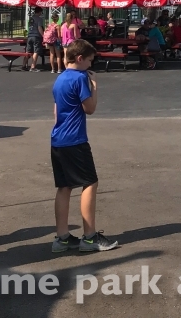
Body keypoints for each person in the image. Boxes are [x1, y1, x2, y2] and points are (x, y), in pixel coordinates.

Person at [50, 39, 119, 252]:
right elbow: (89, 108)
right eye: (90, 60)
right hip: (75, 140)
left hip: (58, 140)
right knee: (90, 182)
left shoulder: (59, 79)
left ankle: (62, 238)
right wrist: (95, 87)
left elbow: (56, 112)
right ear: (80, 59)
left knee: (64, 186)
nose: (91, 65)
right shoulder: (80, 78)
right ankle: (89, 237)